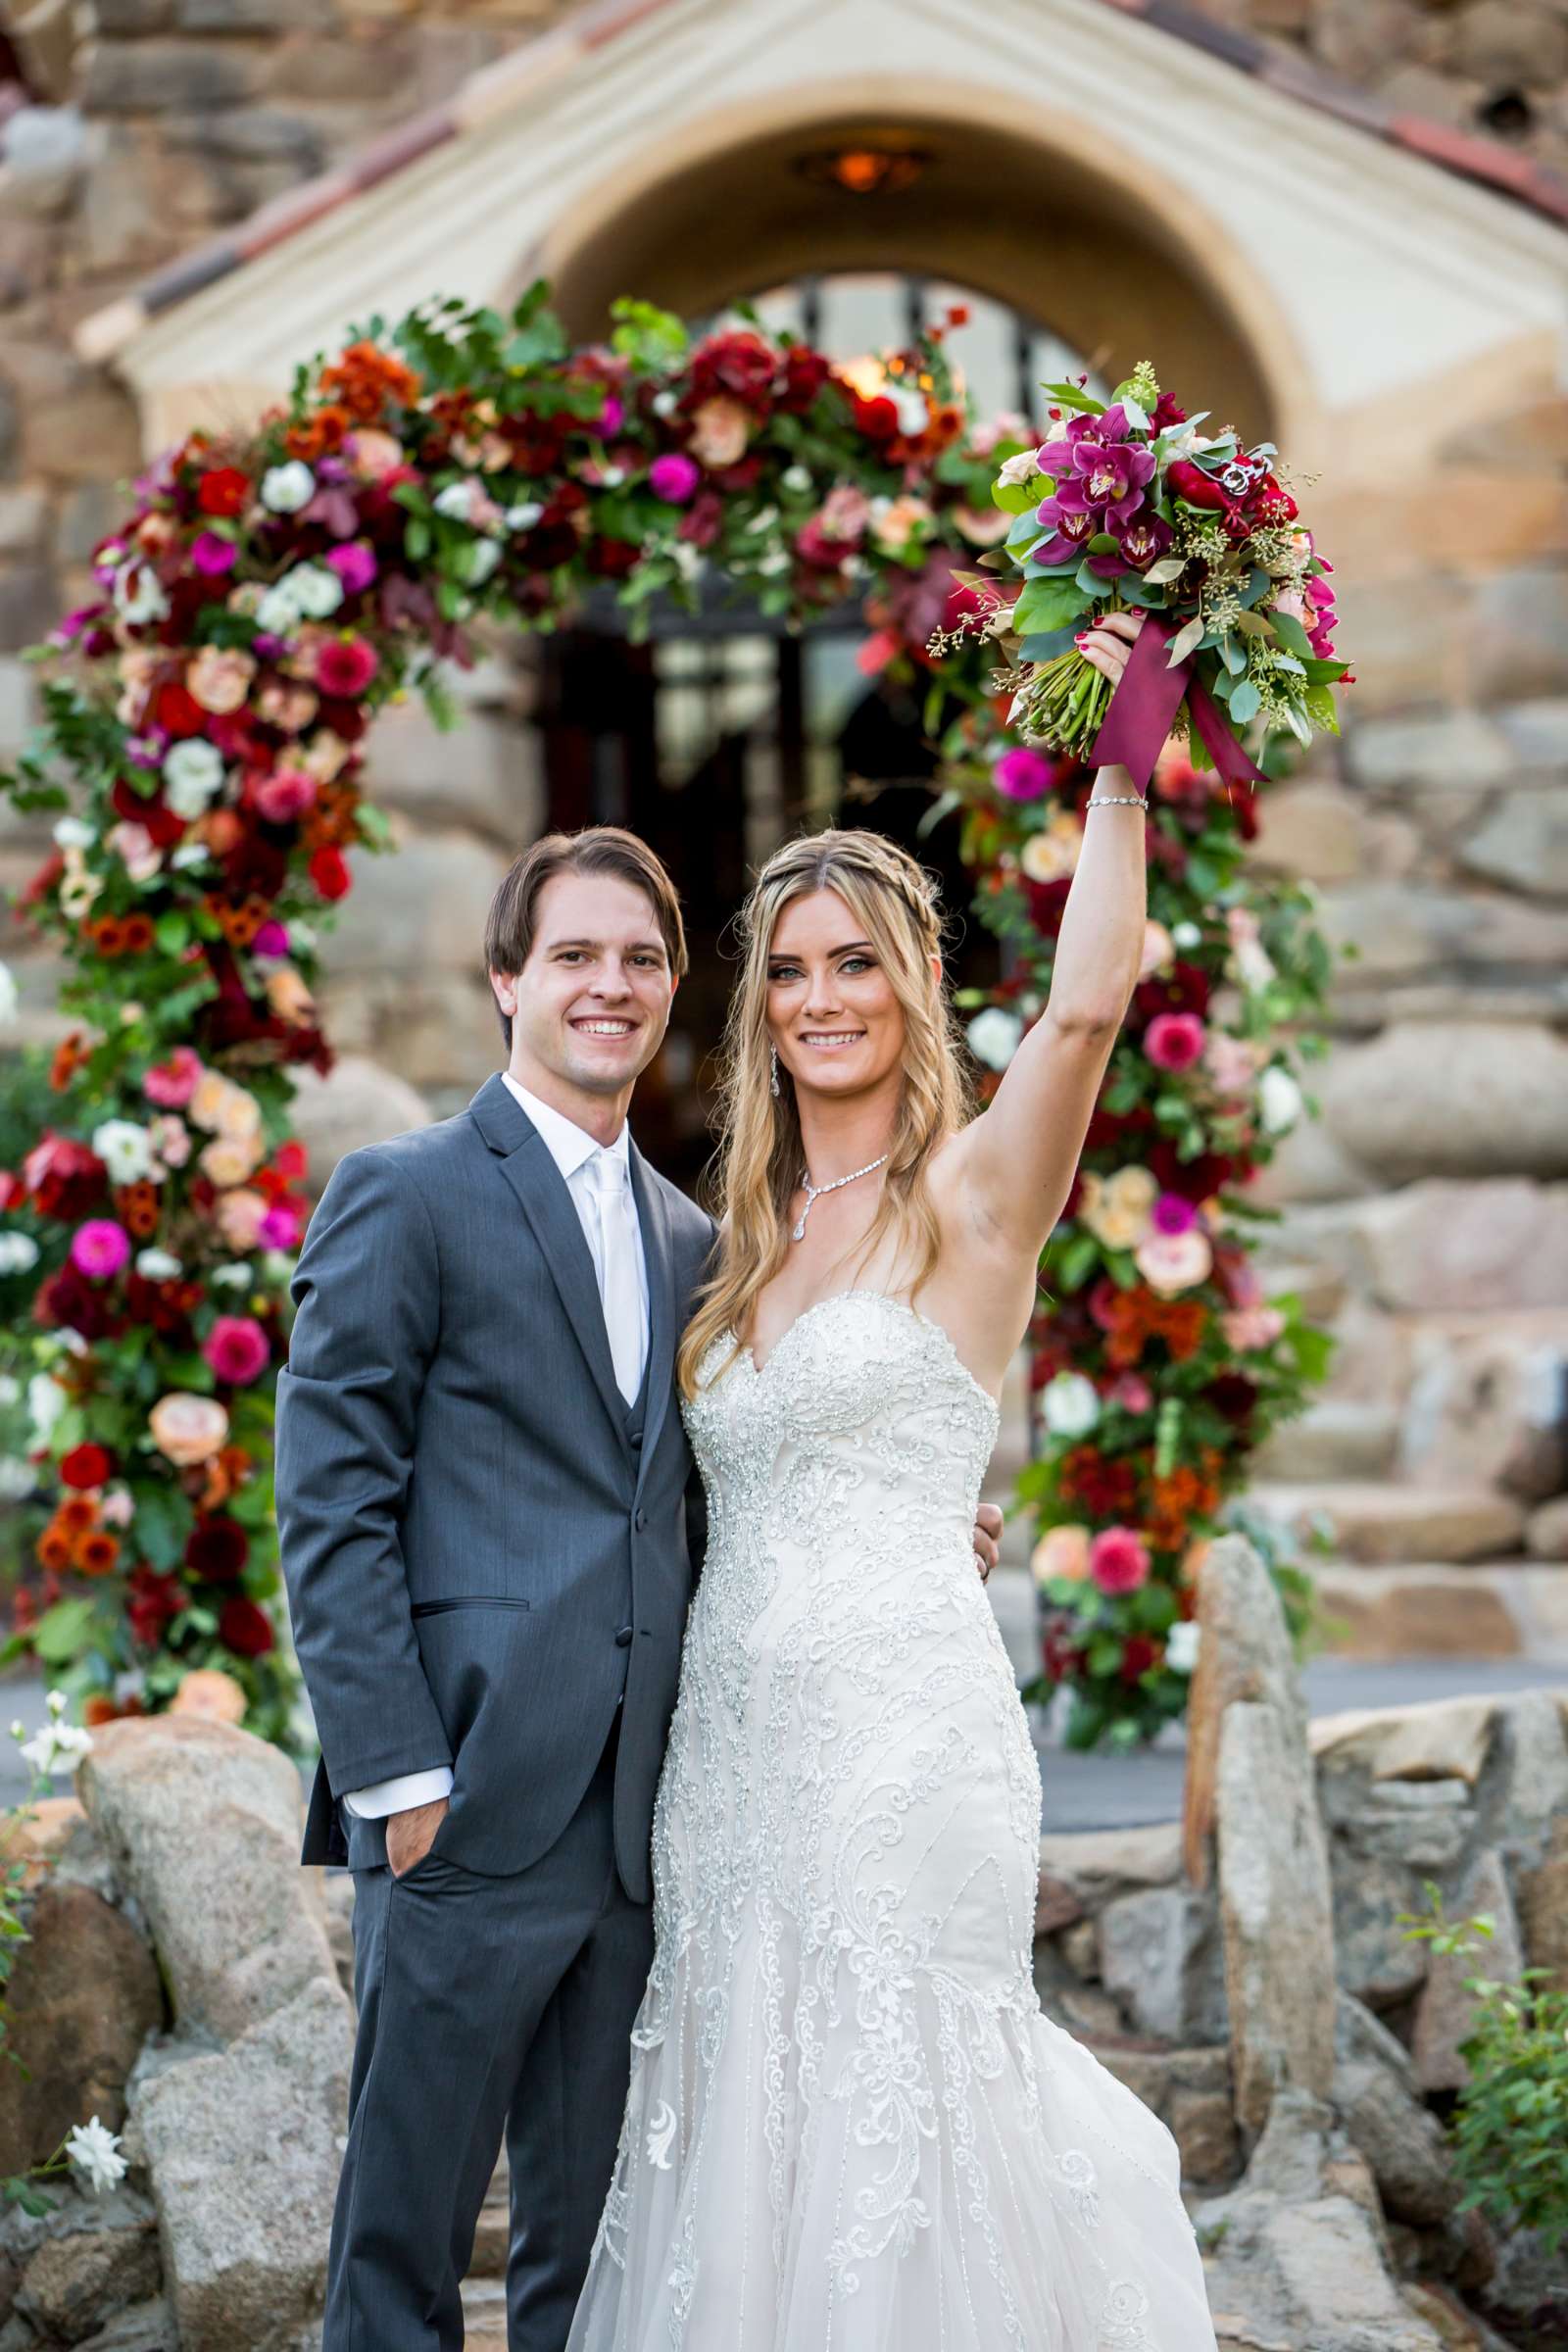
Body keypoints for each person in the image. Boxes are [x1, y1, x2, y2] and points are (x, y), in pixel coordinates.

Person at [566, 614, 1220, 2348]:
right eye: (790, 971)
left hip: (903, 1737)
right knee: (744, 2101)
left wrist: (1122, 756)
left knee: (896, 2097)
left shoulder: (980, 1199)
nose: (821, 1001)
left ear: (912, 987)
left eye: (857, 965)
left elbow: (1089, 1003)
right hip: (727, 1760)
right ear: (757, 1002)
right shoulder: (730, 1245)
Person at [274, 824, 1002, 2352]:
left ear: (675, 988)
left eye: (642, 959)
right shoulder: (400, 1193)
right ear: (506, 982)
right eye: (575, 956)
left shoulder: (703, 1244)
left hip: (646, 1834)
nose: (611, 985)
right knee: (400, 2253)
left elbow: (718, 1492)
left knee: (596, 2263)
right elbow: (330, 1505)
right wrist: (395, 1776)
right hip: (459, 1806)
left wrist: (927, 1517)